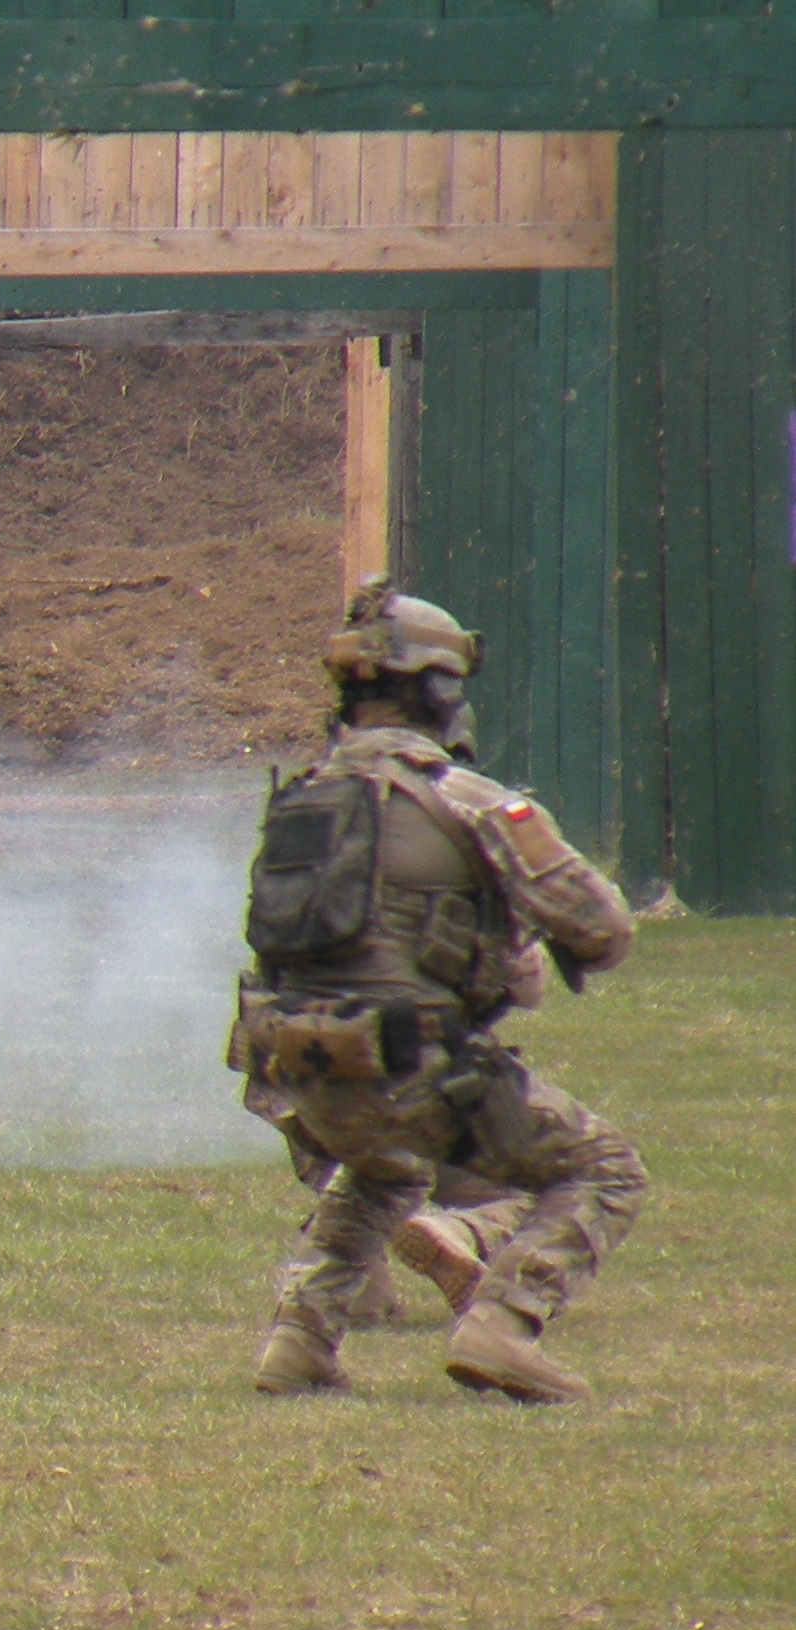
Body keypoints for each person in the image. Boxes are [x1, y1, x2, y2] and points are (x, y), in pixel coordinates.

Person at [233, 584, 641, 1404]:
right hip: (414, 1074)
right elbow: (606, 930)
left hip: (300, 1085)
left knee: (383, 1172)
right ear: (441, 689)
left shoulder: (301, 797)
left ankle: (299, 1340)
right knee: (604, 1167)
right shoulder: (470, 802)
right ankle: (503, 1325)